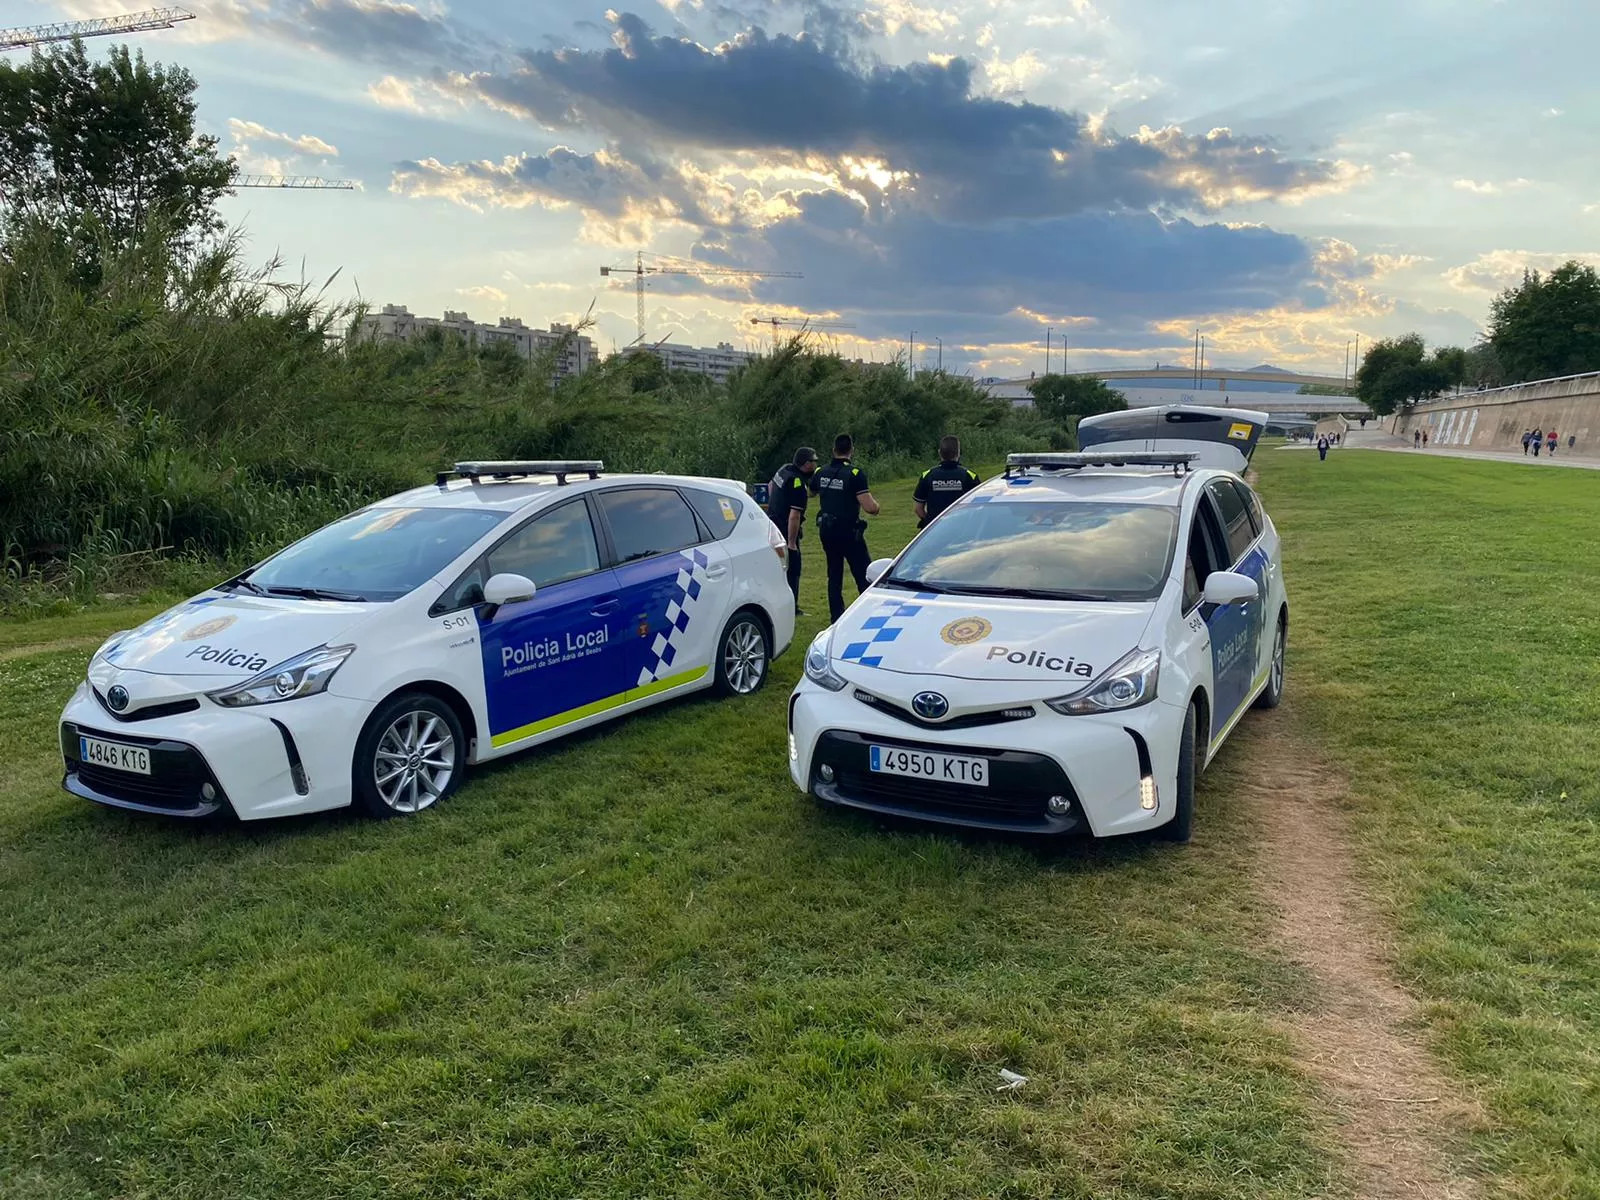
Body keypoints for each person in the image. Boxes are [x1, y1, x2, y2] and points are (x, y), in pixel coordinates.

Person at [814, 433, 881, 621]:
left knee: (834, 575)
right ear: (851, 450)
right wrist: (877, 507)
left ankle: (836, 616)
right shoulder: (855, 474)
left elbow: (811, 492)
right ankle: (868, 613)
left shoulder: (821, 472)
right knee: (864, 573)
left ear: (833, 449)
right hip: (849, 532)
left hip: (827, 531)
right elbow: (869, 507)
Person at [765, 446, 819, 613]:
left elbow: (770, 485)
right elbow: (794, 516)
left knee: (774, 567)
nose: (815, 465)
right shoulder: (798, 484)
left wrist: (775, 504)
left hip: (772, 525)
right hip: (784, 528)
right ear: (805, 463)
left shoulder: (784, 469)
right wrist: (792, 543)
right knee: (793, 569)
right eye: (813, 462)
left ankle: (774, 603)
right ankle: (792, 608)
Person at [912, 435, 981, 528]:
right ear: (958, 453)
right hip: (962, 527)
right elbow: (979, 507)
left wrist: (930, 523)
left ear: (939, 453)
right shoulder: (969, 476)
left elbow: (918, 509)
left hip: (935, 529)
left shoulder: (927, 475)